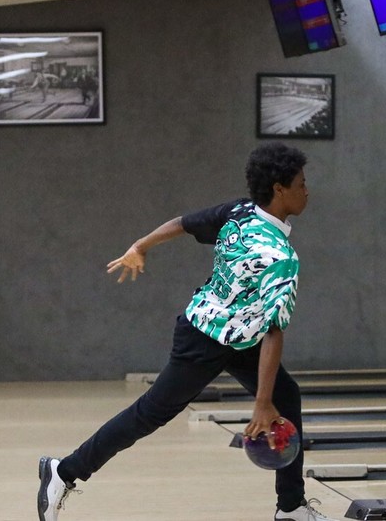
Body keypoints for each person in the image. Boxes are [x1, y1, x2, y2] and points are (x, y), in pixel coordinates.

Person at [37, 142, 340, 521]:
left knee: (287, 395)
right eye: (301, 182)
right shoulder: (280, 257)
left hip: (236, 333)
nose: (307, 190)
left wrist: (141, 245)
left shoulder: (239, 212)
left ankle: (291, 507)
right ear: (279, 189)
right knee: (150, 414)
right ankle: (63, 472)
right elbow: (274, 332)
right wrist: (262, 405)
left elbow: (183, 223)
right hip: (205, 338)